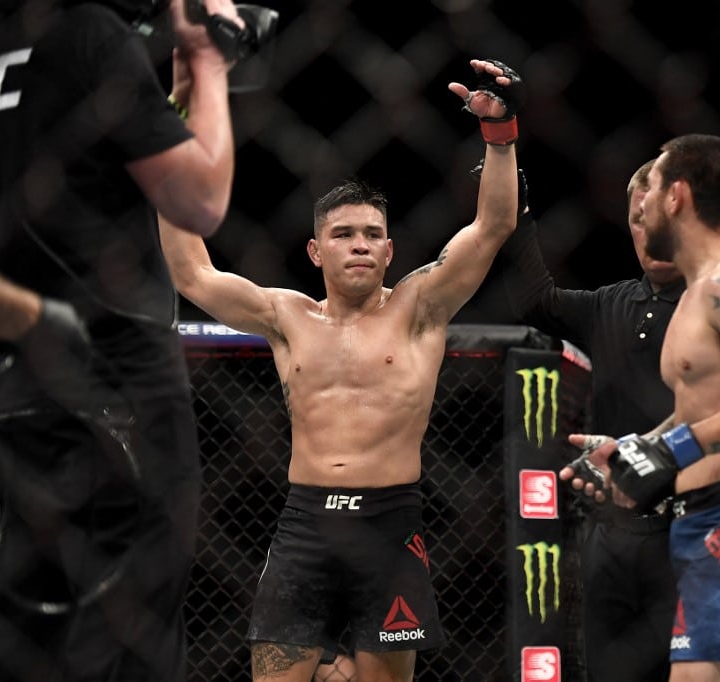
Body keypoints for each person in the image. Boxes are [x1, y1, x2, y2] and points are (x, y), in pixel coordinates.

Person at [157, 58, 522, 682]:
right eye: (344, 233)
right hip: (305, 525)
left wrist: (501, 131)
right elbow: (192, 272)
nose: (358, 244)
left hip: (390, 524)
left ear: (389, 250)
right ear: (315, 249)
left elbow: (493, 227)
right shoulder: (285, 316)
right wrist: (172, 134)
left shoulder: (420, 308)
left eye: (371, 234)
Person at [0, 0, 242, 677]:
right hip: (117, 379)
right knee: (131, 635)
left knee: (22, 634)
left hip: (7, 380)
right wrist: (208, 64)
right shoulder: (89, 31)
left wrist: (171, 104)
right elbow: (199, 198)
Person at [568, 133, 720, 681]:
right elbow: (698, 412)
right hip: (699, 519)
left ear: (676, 196)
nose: (641, 204)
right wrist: (637, 451)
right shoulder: (697, 294)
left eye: (650, 188)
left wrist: (672, 450)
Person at [496, 158, 683, 681]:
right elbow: (537, 299)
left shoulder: (718, 306)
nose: (646, 229)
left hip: (690, 524)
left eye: (655, 216)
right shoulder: (612, 303)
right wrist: (519, 213)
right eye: (636, 218)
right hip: (613, 530)